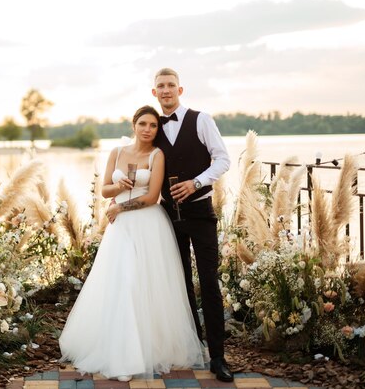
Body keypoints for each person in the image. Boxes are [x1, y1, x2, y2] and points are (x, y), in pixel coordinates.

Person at [59, 105, 204, 381]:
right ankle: (120, 349)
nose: (148, 130)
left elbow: (152, 197)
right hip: (121, 229)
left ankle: (146, 349)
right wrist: (120, 188)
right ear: (134, 125)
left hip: (148, 224)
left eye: (153, 126)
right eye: (143, 124)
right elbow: (104, 190)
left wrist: (120, 208)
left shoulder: (156, 155)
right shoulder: (117, 152)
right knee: (120, 282)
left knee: (143, 283)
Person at [151, 68, 234, 382]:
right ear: (154, 93)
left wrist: (196, 183)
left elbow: (223, 159)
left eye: (171, 85)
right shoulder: (152, 127)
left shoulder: (201, 120)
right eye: (161, 86)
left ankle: (217, 358)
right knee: (181, 284)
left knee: (209, 284)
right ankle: (193, 348)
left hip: (200, 214)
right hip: (168, 218)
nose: (167, 90)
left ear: (180, 90)